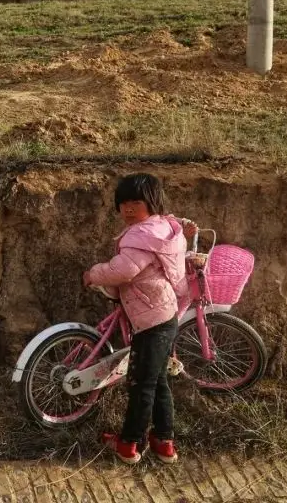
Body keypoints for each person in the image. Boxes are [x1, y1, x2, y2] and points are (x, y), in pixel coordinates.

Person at [82, 173, 192, 465]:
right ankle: (163, 442)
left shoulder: (142, 236)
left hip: (152, 321)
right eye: (123, 203)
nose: (128, 209)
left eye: (136, 203)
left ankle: (129, 444)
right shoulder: (161, 228)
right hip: (162, 315)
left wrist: (93, 274)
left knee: (142, 384)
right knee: (157, 382)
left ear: (152, 204)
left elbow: (124, 270)